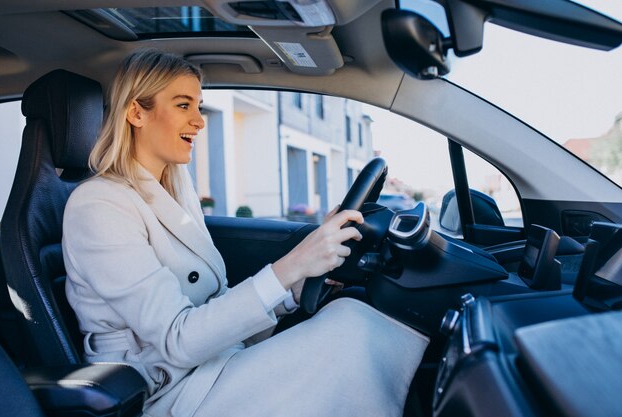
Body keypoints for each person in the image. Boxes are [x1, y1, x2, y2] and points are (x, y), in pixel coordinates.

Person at [63, 49, 429, 417]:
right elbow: (180, 339)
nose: (199, 121)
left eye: (199, 106)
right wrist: (294, 264)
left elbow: (214, 303)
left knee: (353, 313)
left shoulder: (177, 190)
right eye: (183, 105)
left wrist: (299, 285)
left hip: (214, 363)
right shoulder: (98, 205)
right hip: (169, 392)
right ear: (136, 112)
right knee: (352, 335)